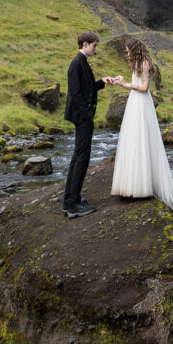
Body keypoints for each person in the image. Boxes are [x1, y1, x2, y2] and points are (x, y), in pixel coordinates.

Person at [110, 38, 173, 222]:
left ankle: (141, 186)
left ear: (134, 49)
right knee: (133, 139)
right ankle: (131, 184)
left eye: (128, 50)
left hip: (141, 103)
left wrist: (125, 84)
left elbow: (143, 88)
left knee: (141, 139)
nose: (126, 53)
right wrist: (124, 81)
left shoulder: (144, 63)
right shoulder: (138, 63)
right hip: (134, 103)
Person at [62, 31, 114, 218]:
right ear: (84, 44)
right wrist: (87, 115)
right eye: (93, 45)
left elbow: (88, 87)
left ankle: (69, 201)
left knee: (78, 157)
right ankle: (72, 205)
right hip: (82, 118)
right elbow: (75, 94)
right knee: (81, 159)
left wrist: (103, 82)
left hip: (83, 117)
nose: (95, 49)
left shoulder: (81, 62)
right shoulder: (77, 64)